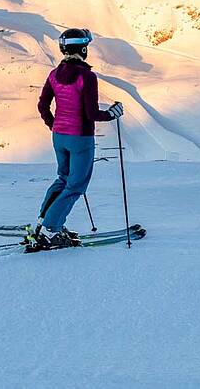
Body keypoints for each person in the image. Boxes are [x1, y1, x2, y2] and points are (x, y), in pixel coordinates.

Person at [35, 28, 123, 249]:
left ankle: (43, 222)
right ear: (83, 49)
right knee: (76, 185)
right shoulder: (87, 77)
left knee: (62, 179)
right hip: (80, 138)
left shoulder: (54, 74)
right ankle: (50, 229)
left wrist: (53, 124)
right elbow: (92, 113)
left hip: (59, 136)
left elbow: (43, 106)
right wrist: (112, 114)